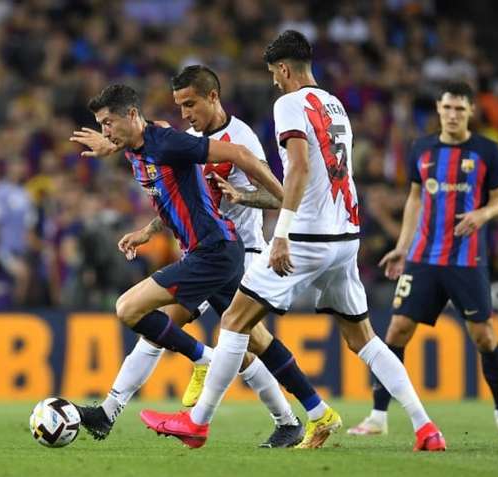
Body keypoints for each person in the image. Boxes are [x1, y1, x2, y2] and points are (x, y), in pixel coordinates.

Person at [141, 30, 445, 452]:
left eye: (273, 74)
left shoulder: (289, 103)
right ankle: (426, 427)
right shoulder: (335, 105)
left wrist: (279, 233)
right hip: (346, 234)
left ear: (284, 69)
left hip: (306, 234)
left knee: (234, 321)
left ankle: (197, 422)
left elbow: (298, 167)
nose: (274, 82)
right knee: (364, 339)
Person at [68, 83, 326, 448]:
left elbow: (243, 161)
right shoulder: (163, 140)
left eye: (190, 104)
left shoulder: (225, 138)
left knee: (145, 317)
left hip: (235, 248)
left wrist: (288, 207)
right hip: (208, 250)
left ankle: (125, 405)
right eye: (181, 106)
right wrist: (114, 149)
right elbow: (168, 181)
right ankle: (306, 415)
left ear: (212, 98)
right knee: (249, 342)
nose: (186, 113)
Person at [347, 81, 498, 437]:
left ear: (471, 111)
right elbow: (414, 200)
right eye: (447, 108)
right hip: (423, 257)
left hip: (466, 259)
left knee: (483, 336)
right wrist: (402, 245)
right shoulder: (422, 149)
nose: (453, 115)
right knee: (397, 329)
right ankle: (378, 416)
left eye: (460, 109)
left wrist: (482, 216)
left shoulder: (488, 151)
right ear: (439, 111)